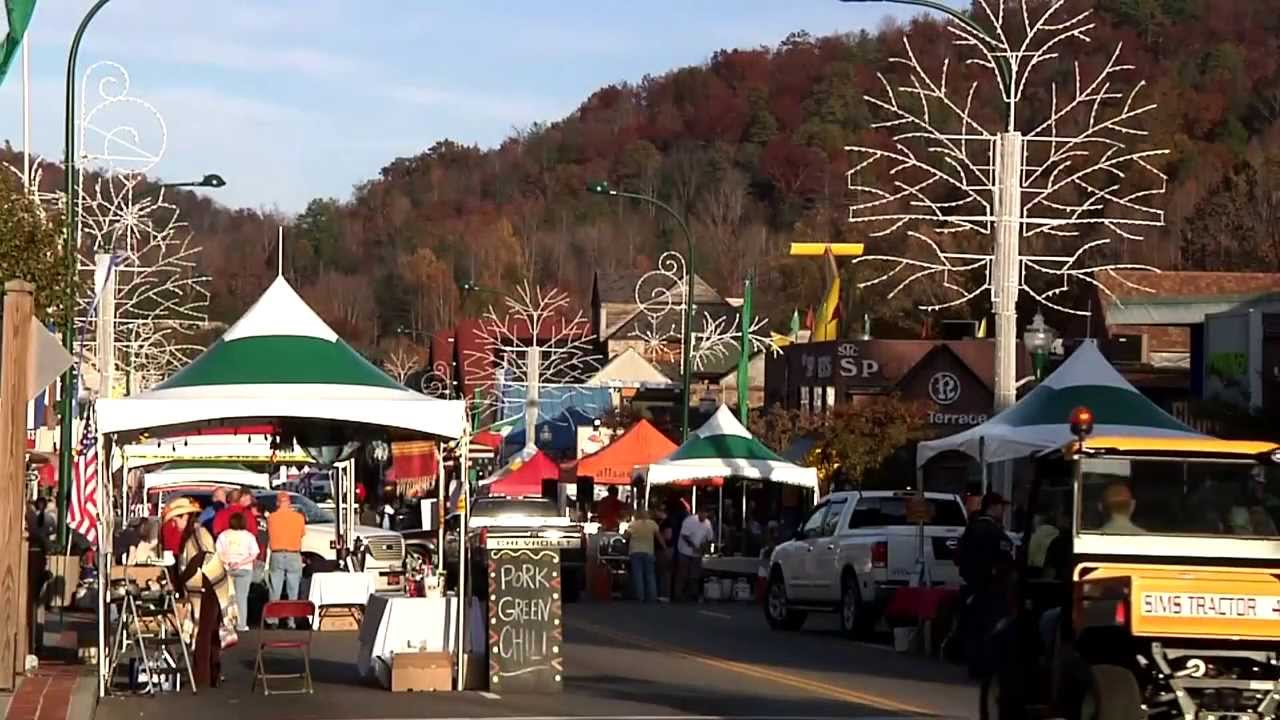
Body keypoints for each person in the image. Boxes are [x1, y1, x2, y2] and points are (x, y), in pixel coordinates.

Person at [167, 497, 232, 689]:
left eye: (177, 519)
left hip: (208, 585)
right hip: (212, 583)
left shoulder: (198, 533)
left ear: (186, 517)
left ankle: (202, 675)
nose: (175, 523)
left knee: (204, 631)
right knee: (210, 631)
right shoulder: (196, 534)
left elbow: (200, 558)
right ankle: (211, 673)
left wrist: (180, 580)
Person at [957, 492, 1015, 678]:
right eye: (1001, 507)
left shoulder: (971, 529)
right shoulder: (995, 532)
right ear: (994, 507)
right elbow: (1005, 560)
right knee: (991, 627)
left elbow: (958, 557)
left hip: (971, 586)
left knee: (974, 627)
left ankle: (974, 666)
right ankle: (986, 667)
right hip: (992, 588)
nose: (1003, 511)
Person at [266, 491, 306, 626]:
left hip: (277, 554)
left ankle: (273, 619)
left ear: (277, 503)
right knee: (293, 589)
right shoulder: (299, 518)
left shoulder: (271, 517)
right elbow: (302, 534)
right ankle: (291, 620)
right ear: (289, 503)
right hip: (293, 554)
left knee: (275, 588)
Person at [215, 512, 259, 632]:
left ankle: (226, 623)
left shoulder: (223, 535)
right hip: (244, 568)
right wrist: (240, 563)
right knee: (242, 597)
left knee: (226, 598)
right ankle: (241, 624)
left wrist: (228, 562)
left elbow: (218, 552)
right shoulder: (249, 536)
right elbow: (254, 553)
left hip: (227, 568)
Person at [674, 508, 714, 602]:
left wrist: (706, 549)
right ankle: (678, 595)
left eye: (706, 514)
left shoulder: (707, 523)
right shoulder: (690, 521)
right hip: (685, 551)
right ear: (699, 513)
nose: (704, 516)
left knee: (695, 575)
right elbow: (684, 536)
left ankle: (692, 595)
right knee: (682, 574)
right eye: (703, 513)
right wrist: (694, 546)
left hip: (697, 553)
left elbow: (709, 538)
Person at [625, 509, 664, 602]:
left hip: (635, 551)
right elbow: (659, 537)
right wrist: (665, 548)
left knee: (638, 575)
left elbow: (626, 536)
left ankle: (640, 596)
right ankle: (652, 596)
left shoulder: (633, 524)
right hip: (649, 551)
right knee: (650, 575)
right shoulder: (652, 524)